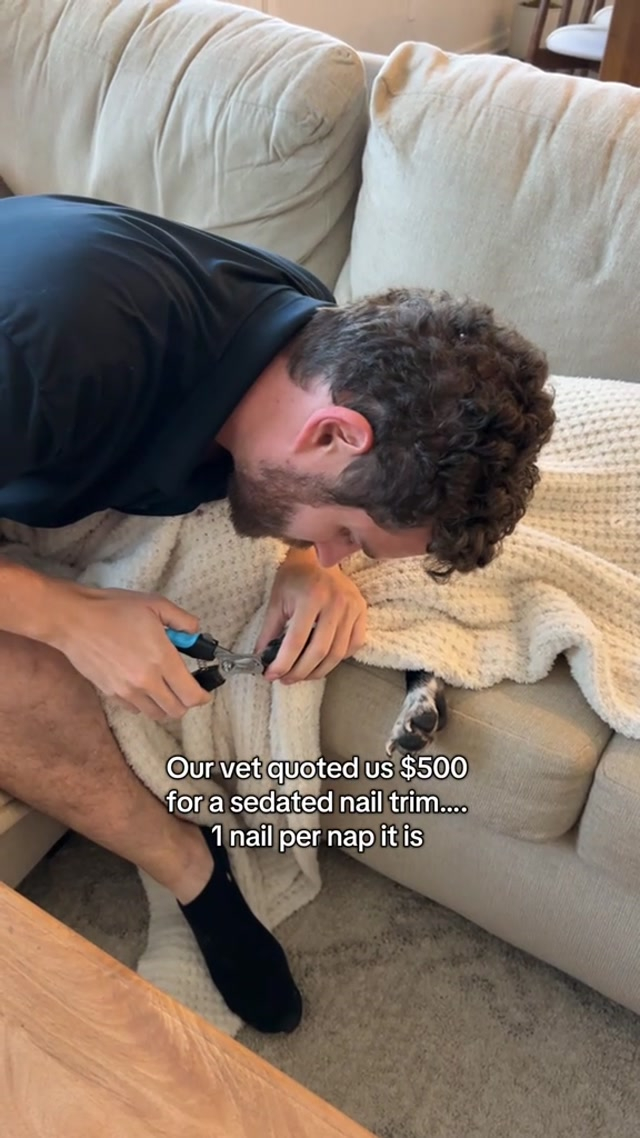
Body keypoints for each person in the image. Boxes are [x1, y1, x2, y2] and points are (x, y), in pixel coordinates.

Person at [0, 194, 555, 1032]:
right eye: (348, 536)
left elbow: (303, 517)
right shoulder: (48, 358)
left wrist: (301, 561)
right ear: (332, 435)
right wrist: (66, 614)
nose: (339, 557)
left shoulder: (306, 330)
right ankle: (189, 867)